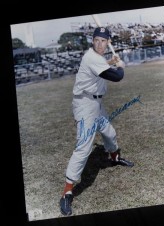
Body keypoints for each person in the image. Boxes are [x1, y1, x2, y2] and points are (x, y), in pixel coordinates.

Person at [59, 26, 134, 216]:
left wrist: (110, 61)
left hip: (97, 104)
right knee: (84, 147)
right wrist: (120, 66)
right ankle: (67, 192)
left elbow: (100, 68)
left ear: (108, 42)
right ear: (92, 41)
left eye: (104, 41)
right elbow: (116, 77)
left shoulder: (98, 58)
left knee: (110, 133)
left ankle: (114, 158)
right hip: (85, 105)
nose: (100, 44)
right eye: (97, 40)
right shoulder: (91, 57)